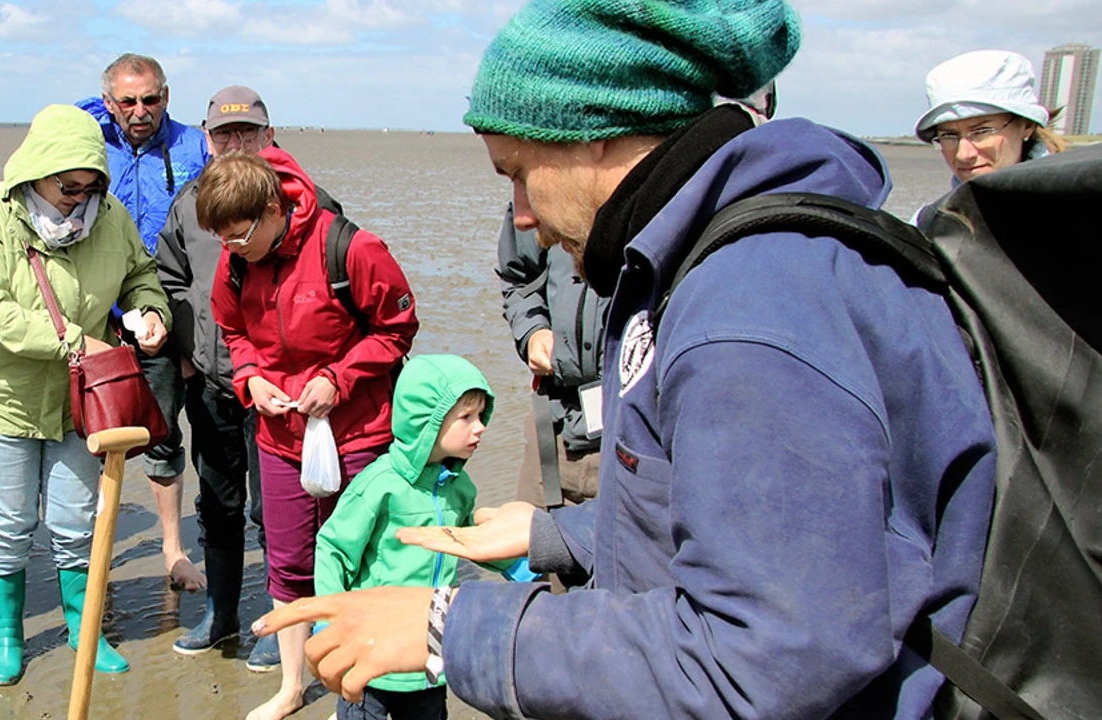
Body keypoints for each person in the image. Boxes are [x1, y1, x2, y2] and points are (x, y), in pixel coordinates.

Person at [256, 1, 998, 718]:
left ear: (600, 138)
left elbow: (761, 662)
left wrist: (452, 626)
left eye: (517, 171)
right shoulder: (706, 263)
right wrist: (559, 533)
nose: (519, 216)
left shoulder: (747, 308)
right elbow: (743, 516)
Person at [0, 104, 171, 686]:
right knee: (9, 522)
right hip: (0, 399)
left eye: (90, 186)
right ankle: (7, 634)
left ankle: (85, 630)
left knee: (78, 521)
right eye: (67, 187)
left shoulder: (112, 216)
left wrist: (150, 311)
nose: (78, 198)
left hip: (84, 404)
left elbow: (140, 273)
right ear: (34, 173)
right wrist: (81, 343)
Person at [201, 149, 419, 720]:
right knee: (290, 563)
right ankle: (292, 686)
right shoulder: (237, 260)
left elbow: (397, 328)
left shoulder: (351, 248)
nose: (233, 249)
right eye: (222, 239)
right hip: (279, 435)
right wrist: (250, 379)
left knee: (357, 560)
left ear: (275, 209)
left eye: (241, 235)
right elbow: (231, 329)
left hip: (359, 434)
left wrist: (338, 378)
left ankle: (353, 683)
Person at [156, 84, 292, 670]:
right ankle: (221, 612)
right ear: (206, 139)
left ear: (268, 135)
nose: (236, 143)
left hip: (278, 392)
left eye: (247, 133)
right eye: (224, 134)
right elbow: (165, 280)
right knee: (218, 505)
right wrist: (187, 356)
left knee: (278, 513)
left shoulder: (300, 201)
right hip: (212, 385)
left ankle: (278, 621)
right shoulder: (188, 203)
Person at [78, 53, 210, 593]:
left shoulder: (193, 146)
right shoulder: (91, 142)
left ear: (167, 97)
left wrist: (184, 334)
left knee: (162, 435)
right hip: (97, 314)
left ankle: (174, 550)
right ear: (108, 102)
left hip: (164, 313)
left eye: (151, 99)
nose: (140, 111)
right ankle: (90, 552)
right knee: (88, 438)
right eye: (127, 101)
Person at [315, 354, 495, 720]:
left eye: (480, 415)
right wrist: (330, 616)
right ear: (426, 423)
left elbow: (473, 540)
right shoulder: (380, 485)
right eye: (466, 417)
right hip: (369, 650)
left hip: (427, 653)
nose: (480, 428)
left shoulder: (459, 488)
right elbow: (333, 547)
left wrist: (521, 564)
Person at [495, 208, 605, 519]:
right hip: (553, 430)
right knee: (533, 553)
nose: (521, 204)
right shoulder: (537, 185)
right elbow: (517, 277)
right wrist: (532, 331)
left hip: (635, 439)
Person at [916, 50, 1066, 184]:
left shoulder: (1075, 208)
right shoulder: (931, 215)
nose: (963, 154)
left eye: (981, 131)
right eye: (949, 136)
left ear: (1026, 126)